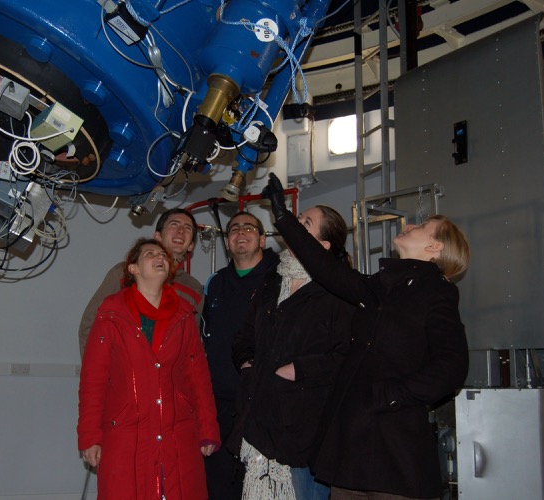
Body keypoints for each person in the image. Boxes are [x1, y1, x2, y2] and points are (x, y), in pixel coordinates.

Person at [262, 173, 471, 500]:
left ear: (435, 247)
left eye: (420, 227)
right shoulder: (379, 288)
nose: (409, 227)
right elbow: (326, 269)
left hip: (394, 452)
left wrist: (393, 394)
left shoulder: (436, 293)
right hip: (351, 450)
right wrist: (283, 216)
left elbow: (452, 365)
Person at [77, 238, 220, 500]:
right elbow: (93, 380)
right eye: (150, 254)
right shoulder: (111, 313)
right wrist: (89, 436)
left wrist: (208, 429)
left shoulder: (184, 314)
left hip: (178, 432)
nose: (160, 258)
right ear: (133, 269)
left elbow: (198, 376)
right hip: (125, 432)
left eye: (163, 255)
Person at [232, 205, 355, 500]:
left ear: (324, 245)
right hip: (261, 420)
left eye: (306, 223)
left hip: (309, 430)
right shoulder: (273, 280)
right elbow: (245, 336)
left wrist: (299, 369)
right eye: (298, 220)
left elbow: (349, 357)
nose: (295, 226)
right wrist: (247, 363)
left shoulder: (340, 290)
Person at [202, 211, 280, 499]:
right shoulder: (216, 284)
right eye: (234, 229)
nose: (240, 232)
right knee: (219, 487)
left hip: (263, 404)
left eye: (249, 227)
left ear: (261, 239)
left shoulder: (280, 278)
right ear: (228, 242)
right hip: (219, 407)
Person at [78, 208, 203, 356]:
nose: (181, 231)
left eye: (187, 228)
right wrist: (98, 373)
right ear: (158, 236)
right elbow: (90, 325)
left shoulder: (194, 289)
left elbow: (191, 345)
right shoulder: (125, 272)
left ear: (191, 246)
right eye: (174, 225)